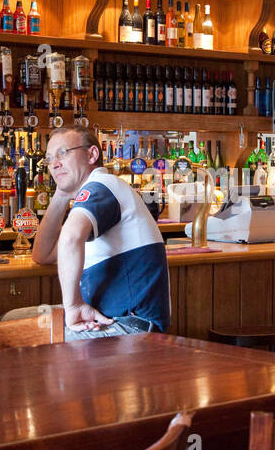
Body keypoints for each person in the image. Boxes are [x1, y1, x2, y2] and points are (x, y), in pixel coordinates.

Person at [29, 126, 170, 336]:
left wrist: (73, 306)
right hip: (108, 319)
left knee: (21, 338)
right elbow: (43, 255)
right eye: (49, 159)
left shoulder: (102, 185)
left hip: (130, 327)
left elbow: (69, 239)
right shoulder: (95, 194)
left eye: (63, 153)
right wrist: (61, 194)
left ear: (92, 154)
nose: (55, 164)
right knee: (11, 322)